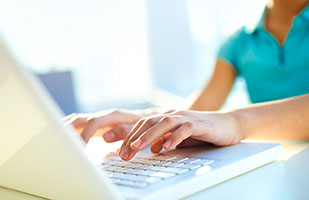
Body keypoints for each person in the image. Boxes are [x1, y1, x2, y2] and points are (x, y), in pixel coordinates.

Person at [64, 0, 309, 160]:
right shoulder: (239, 41)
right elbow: (199, 110)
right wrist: (145, 121)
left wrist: (235, 122)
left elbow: (225, 121)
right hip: (275, 161)